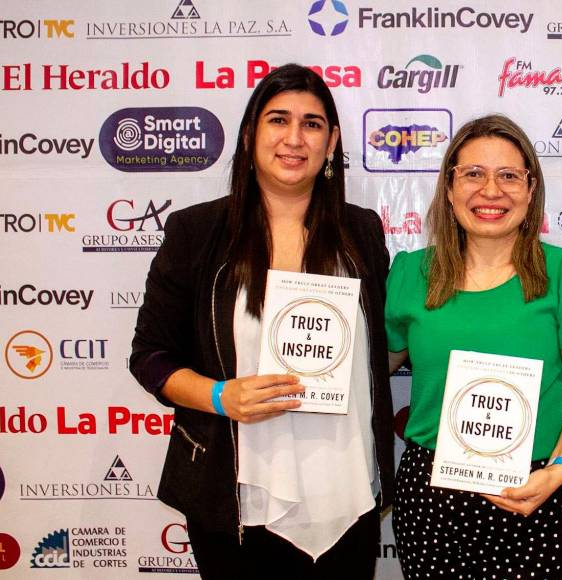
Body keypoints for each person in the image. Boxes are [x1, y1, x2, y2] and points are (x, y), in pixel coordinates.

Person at [129, 64, 393, 579]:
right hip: (238, 500)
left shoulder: (362, 232)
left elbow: (381, 347)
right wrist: (220, 396)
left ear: (332, 140)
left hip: (346, 492)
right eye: (278, 120)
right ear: (251, 134)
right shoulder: (197, 232)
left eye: (313, 124)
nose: (294, 138)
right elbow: (151, 356)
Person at [385, 114, 562, 579]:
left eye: (509, 175)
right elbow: (368, 371)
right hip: (431, 502)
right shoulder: (410, 275)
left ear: (531, 191)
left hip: (539, 491)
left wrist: (560, 470)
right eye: (473, 174)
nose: (491, 190)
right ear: (449, 189)